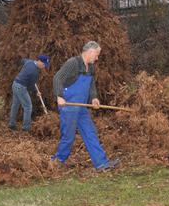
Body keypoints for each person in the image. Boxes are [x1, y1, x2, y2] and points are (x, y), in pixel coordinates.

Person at [51, 41, 119, 170]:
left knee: (90, 133)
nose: (97, 58)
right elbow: (57, 78)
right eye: (97, 54)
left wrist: (94, 98)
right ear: (90, 51)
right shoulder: (73, 63)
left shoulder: (91, 67)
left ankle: (101, 163)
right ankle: (56, 162)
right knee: (68, 137)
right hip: (69, 105)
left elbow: (91, 83)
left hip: (81, 106)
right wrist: (59, 96)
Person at [8, 54, 50, 132]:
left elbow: (22, 61)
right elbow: (30, 86)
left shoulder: (29, 62)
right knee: (28, 107)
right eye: (44, 65)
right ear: (40, 62)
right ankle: (26, 128)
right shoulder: (34, 72)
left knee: (15, 105)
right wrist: (36, 92)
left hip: (15, 83)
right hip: (21, 87)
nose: (44, 67)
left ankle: (12, 124)